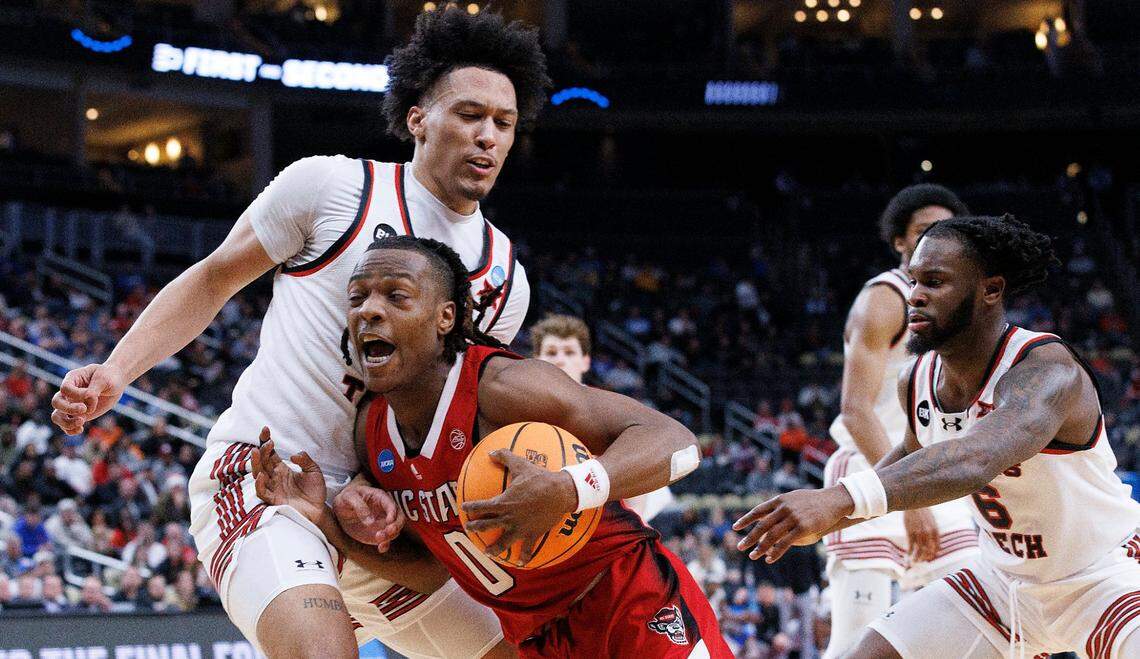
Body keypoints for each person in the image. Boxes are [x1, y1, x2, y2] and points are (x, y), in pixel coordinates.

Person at [49, 7, 549, 657]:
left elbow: (434, 424)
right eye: (470, 114)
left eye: (503, 124)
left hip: (371, 522)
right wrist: (117, 370)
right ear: (420, 118)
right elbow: (212, 278)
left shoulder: (506, 277)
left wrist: (390, 498)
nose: (487, 136)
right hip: (265, 481)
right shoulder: (335, 187)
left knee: (526, 651)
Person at [253, 236, 730, 657]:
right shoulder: (373, 434)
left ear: (445, 317)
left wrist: (569, 489)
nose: (369, 310)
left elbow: (678, 443)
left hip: (629, 601)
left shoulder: (505, 388)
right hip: (536, 640)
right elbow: (432, 572)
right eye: (357, 298)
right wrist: (324, 521)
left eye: (397, 296)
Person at [735, 216, 1140, 658]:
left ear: (991, 290)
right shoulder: (918, 380)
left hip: (1104, 575)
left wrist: (838, 501)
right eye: (913, 281)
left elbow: (973, 460)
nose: (915, 296)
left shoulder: (1046, 371)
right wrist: (825, 516)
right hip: (1001, 586)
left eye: (935, 282)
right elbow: (910, 455)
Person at [821, 184, 978, 657]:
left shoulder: (964, 311)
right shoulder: (886, 298)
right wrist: (906, 496)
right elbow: (856, 409)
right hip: (875, 471)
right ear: (900, 242)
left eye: (946, 229)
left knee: (970, 629)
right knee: (856, 642)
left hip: (937, 480)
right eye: (923, 229)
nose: (936, 236)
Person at [529, 313, 675, 523]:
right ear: (535, 361)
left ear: (585, 361)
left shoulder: (613, 411)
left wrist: (636, 519)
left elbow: (637, 476)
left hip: (602, 528)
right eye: (551, 353)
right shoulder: (518, 412)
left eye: (569, 352)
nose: (560, 360)